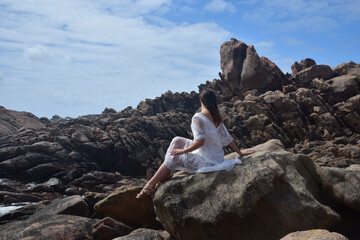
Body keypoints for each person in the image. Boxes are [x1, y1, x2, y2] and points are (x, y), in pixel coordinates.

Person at [136, 90, 255, 198]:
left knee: (173, 156)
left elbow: (200, 142)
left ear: (200, 101)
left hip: (206, 160)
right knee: (177, 140)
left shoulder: (198, 118)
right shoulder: (216, 116)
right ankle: (166, 173)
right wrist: (239, 152)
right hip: (215, 156)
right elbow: (228, 138)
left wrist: (182, 151)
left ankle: (148, 186)